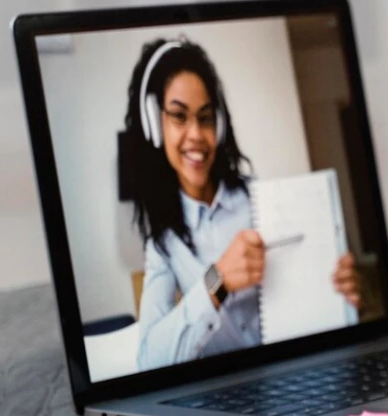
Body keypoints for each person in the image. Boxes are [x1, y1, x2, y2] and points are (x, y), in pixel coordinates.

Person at [125, 38, 360, 370]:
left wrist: (343, 293)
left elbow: (318, 299)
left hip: (301, 371)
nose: (195, 134)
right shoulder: (163, 245)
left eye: (205, 118)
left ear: (218, 126)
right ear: (154, 124)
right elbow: (149, 359)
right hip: (233, 396)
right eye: (179, 117)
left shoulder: (261, 200)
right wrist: (217, 281)